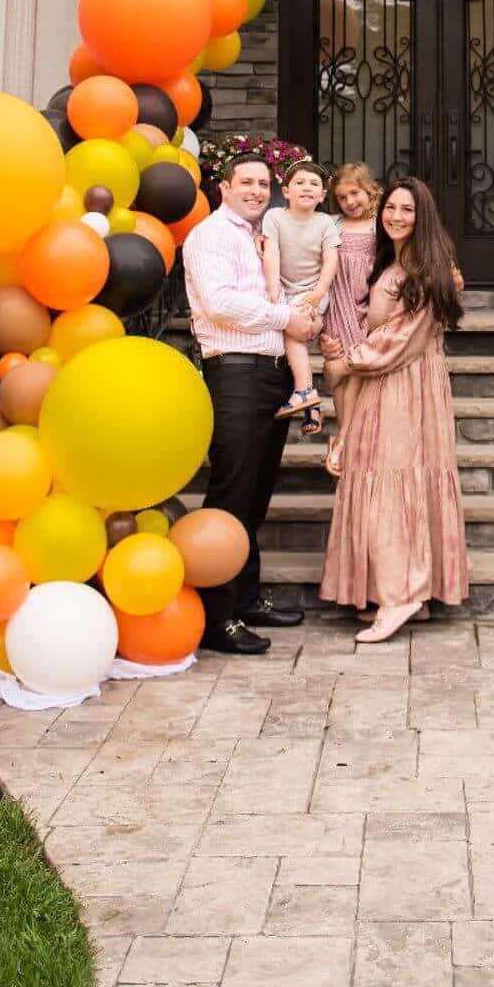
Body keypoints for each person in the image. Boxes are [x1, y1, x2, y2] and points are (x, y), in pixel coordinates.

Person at [319, 177, 468, 644]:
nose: (397, 217)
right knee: (388, 480)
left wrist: (347, 362)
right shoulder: (394, 262)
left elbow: (403, 338)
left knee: (396, 481)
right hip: (384, 384)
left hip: (407, 384)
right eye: (391, 208)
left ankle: (401, 594)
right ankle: (406, 593)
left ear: (422, 217)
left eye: (407, 210)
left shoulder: (428, 268)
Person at [182, 152, 319, 655]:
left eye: (264, 183)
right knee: (232, 491)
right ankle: (218, 618)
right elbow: (219, 303)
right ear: (224, 187)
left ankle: (246, 598)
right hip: (236, 373)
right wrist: (285, 317)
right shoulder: (212, 235)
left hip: (270, 374)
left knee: (256, 493)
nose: (257, 191)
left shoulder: (260, 237)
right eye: (247, 182)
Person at [262, 161, 341, 433]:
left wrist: (318, 293)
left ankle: (305, 392)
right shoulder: (274, 217)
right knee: (292, 334)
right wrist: (273, 287)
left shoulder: (325, 223)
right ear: (286, 191)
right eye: (300, 182)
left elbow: (331, 260)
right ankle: (310, 404)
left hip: (312, 292)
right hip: (285, 290)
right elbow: (271, 252)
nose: (307, 187)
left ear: (322, 195)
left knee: (292, 330)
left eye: (314, 184)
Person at [322, 161, 381, 430]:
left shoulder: (379, 225)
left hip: (368, 309)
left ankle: (356, 438)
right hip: (338, 307)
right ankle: (344, 437)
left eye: (355, 193)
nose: (349, 201)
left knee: (362, 371)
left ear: (369, 190)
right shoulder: (331, 224)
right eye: (342, 197)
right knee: (339, 371)